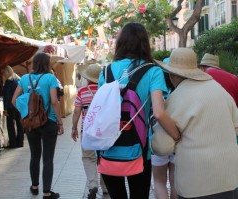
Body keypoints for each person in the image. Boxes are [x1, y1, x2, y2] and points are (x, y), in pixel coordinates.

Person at [97, 22, 180, 199]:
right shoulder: (153, 71)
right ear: (144, 43)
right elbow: (159, 112)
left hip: (108, 147)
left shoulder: (105, 72)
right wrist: (177, 135)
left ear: (120, 43)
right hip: (140, 148)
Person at [152, 48, 238, 199]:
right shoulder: (218, 89)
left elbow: (161, 147)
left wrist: (176, 138)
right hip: (227, 177)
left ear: (172, 76)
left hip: (195, 181)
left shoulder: (176, 97)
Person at [12, 52, 64, 199]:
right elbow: (55, 101)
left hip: (31, 124)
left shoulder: (24, 78)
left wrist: (25, 114)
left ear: (34, 64)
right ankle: (47, 192)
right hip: (49, 122)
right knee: (48, 158)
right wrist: (60, 122)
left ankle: (34, 187)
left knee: (34, 155)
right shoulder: (50, 78)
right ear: (47, 64)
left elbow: (14, 100)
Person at [199, 53, 238, 143]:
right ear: (217, 67)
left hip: (205, 127)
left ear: (202, 67)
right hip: (230, 127)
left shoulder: (200, 78)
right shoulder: (234, 78)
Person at [71, 63, 108, 199]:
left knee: (88, 157)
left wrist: (74, 128)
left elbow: (76, 112)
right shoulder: (105, 91)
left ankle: (93, 185)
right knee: (104, 158)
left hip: (87, 132)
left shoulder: (81, 91)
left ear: (87, 77)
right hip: (103, 131)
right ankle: (105, 187)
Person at [152, 58, 177, 199]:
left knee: (159, 182)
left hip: (158, 140)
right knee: (174, 183)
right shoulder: (181, 92)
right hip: (176, 139)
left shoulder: (156, 89)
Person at [1, 66, 24, 148]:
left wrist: (5, 109)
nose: (3, 74)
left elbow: (6, 96)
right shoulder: (18, 80)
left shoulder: (8, 82)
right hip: (19, 105)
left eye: (3, 72)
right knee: (20, 124)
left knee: (10, 125)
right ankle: (20, 142)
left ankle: (13, 143)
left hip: (11, 106)